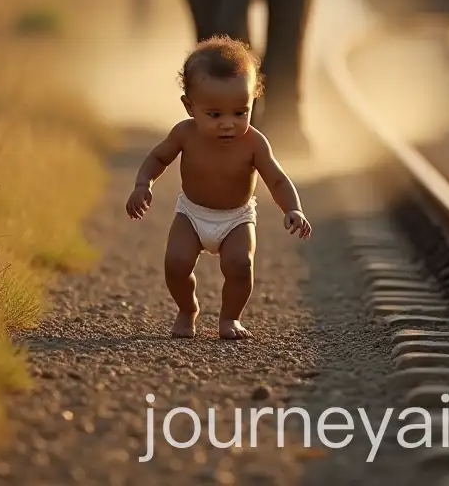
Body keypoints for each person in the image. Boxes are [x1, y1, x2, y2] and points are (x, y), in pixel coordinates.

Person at [125, 34, 312, 339]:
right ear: (190, 107)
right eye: (214, 114)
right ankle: (187, 309)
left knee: (240, 265)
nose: (229, 123)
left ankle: (230, 318)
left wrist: (293, 208)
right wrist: (143, 184)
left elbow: (277, 178)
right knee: (176, 263)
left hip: (236, 218)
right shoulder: (184, 134)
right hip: (192, 214)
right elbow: (158, 157)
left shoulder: (254, 142)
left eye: (241, 112)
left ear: (253, 101)